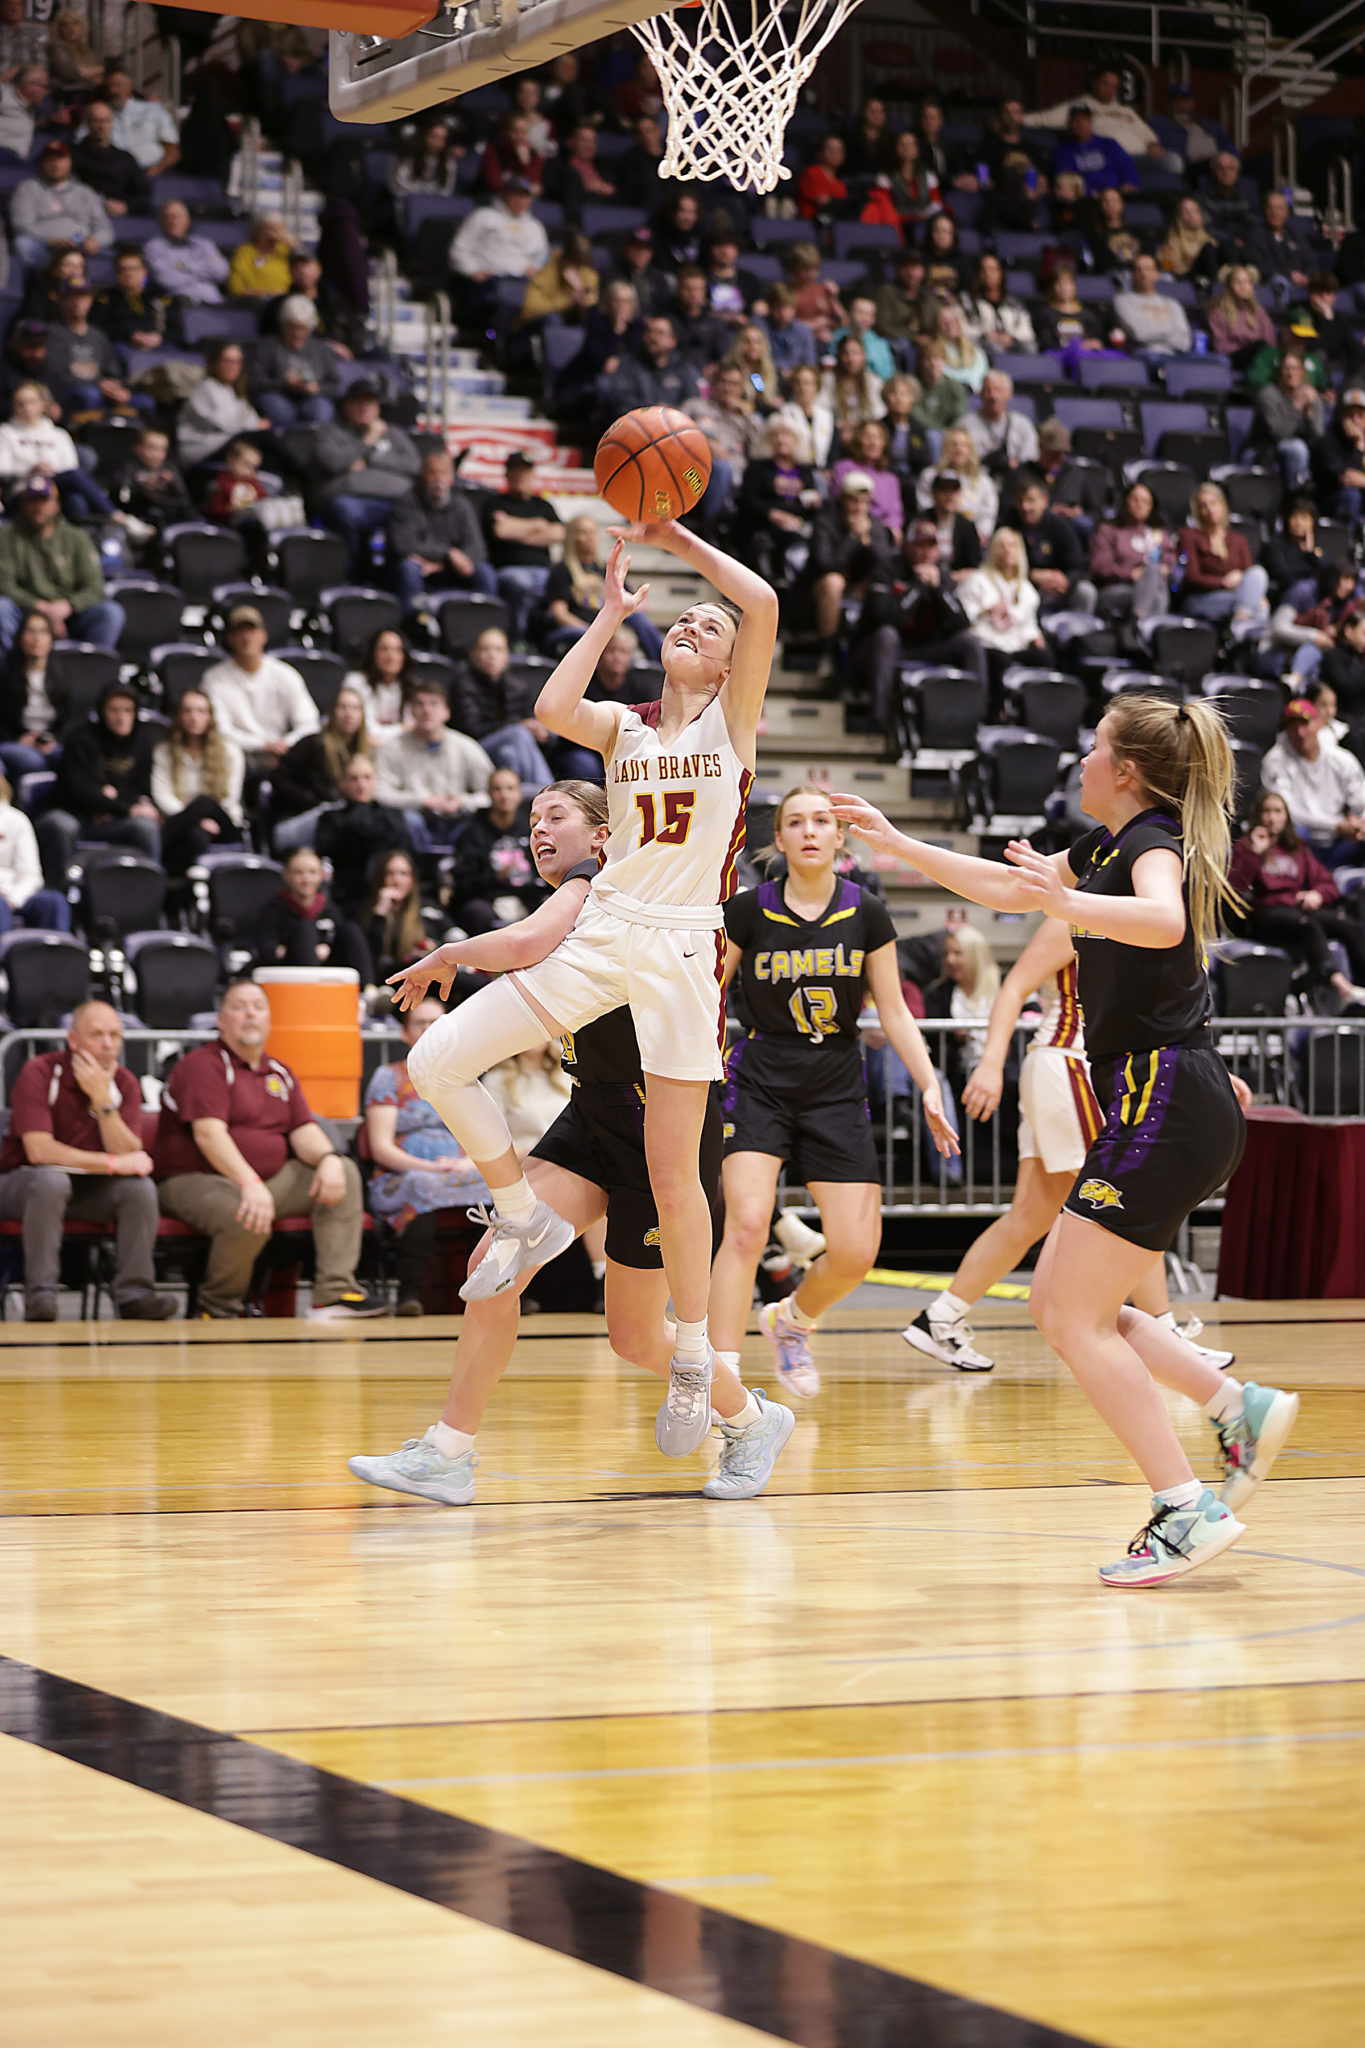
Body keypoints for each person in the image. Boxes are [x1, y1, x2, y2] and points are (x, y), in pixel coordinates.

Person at [831, 695, 1301, 1586]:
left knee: (1068, 1316)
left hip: (1166, 1095)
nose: (1079, 760)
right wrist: (896, 843)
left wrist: (1070, 900)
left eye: (1092, 748)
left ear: (1124, 770)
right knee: (1063, 1303)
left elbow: (1164, 920)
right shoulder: (1103, 845)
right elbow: (1006, 887)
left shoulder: (1150, 842)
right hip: (1161, 1097)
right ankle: (1232, 1404)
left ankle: (1184, 1507)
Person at [387, 524, 779, 1460]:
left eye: (708, 627)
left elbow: (760, 601)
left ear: (730, 668)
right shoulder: (625, 727)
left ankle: (700, 1362)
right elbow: (552, 705)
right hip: (609, 933)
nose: (691, 624)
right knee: (437, 1058)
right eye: (682, 618)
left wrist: (670, 535)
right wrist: (608, 613)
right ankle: (518, 1226)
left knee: (665, 1232)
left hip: (681, 943)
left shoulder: (733, 723)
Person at [352, 780, 794, 1504]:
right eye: (531, 820)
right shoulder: (576, 902)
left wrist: (449, 954)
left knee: (634, 1337)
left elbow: (523, 945)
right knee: (492, 1268)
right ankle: (448, 1451)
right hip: (591, 1113)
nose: (537, 829)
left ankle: (751, 1420)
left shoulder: (600, 886)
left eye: (555, 815)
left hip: (661, 1130)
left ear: (602, 834)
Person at [905, 917, 1240, 1372]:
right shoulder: (1074, 917)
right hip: (1068, 1063)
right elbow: (1014, 987)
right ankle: (1164, 1334)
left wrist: (1210, 1071)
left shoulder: (1140, 913)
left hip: (1079, 1067)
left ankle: (940, 1317)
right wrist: (990, 1063)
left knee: (1030, 1215)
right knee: (1129, 1200)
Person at [710, 786, 956, 1400]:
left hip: (835, 1082)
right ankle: (720, 1378)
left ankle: (791, 1321)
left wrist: (929, 1083)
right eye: (796, 822)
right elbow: (708, 992)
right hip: (760, 1075)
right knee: (745, 1226)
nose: (810, 831)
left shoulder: (866, 911)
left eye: (821, 821)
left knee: (853, 1252)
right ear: (779, 839)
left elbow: (894, 1011)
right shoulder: (747, 911)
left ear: (840, 837)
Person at [155, 979, 382, 1321]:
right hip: (193, 1180)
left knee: (345, 1173)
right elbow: (209, 1135)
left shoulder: (279, 1072)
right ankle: (217, 1307)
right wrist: (249, 1183)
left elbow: (303, 1129)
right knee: (244, 1212)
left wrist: (329, 1158)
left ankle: (333, 1294)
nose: (250, 1014)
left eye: (258, 1007)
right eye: (239, 1007)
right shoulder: (202, 1065)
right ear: (221, 1020)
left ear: (269, 1020)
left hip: (264, 1182)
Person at [0, 999, 176, 1321]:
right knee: (51, 1181)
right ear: (73, 1040)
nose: (108, 1044)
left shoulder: (125, 1082)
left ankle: (135, 1295)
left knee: (139, 1190)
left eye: (115, 1035)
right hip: (21, 1183)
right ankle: (41, 1295)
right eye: (97, 1035)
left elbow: (129, 1153)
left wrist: (101, 1098)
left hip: (86, 1190)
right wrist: (110, 1164)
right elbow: (39, 1151)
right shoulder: (40, 1071)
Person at [362, 998, 491, 1315]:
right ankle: (411, 1293)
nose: (429, 1030)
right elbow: (381, 1147)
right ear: (405, 1033)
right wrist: (431, 1168)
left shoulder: (465, 1077)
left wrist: (466, 1164)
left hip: (461, 1168)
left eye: (437, 1023)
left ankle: (498, 1289)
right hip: (403, 1173)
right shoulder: (389, 1077)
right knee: (422, 1185)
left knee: (502, 1187)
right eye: (420, 1024)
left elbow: (485, 1137)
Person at [1229, 787, 1365, 1002]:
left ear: (1286, 816)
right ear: (1258, 815)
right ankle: (1341, 987)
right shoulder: (1247, 845)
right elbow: (1236, 886)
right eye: (1267, 811)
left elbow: (1327, 883)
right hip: (1265, 912)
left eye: (1278, 811)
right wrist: (1255, 853)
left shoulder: (1296, 848)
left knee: (1347, 924)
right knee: (1307, 925)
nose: (1272, 817)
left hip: (1295, 908)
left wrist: (1317, 894)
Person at [39, 678, 158, 879]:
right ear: (102, 711)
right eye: (114, 710)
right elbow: (77, 789)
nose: (121, 718)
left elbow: (141, 788)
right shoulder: (80, 738)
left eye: (128, 711)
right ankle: (62, 887)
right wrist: (117, 804)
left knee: (146, 826)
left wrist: (111, 802)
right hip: (77, 815)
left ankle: (151, 886)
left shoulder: (142, 743)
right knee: (61, 825)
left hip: (115, 820)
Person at [0, 475, 123, 656]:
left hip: (69, 614)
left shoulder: (76, 537)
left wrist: (67, 607)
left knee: (111, 612)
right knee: (2, 608)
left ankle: (93, 670)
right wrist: (42, 609)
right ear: (23, 504)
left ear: (57, 505)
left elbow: (95, 586)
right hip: (25, 612)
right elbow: (5, 585)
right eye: (32, 500)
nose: (38, 506)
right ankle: (9, 670)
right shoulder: (7, 535)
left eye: (44, 500)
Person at [373, 677, 496, 852]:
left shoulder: (466, 746)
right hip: (415, 818)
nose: (427, 710)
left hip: (457, 818)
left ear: (447, 712)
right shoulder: (392, 748)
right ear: (411, 711)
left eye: (434, 704)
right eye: (420, 704)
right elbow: (379, 793)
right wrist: (422, 800)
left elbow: (492, 793)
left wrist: (462, 801)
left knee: (479, 822)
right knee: (407, 820)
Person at [203, 604, 318, 775]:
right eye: (240, 632)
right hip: (241, 754)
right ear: (230, 638)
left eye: (252, 631)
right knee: (228, 750)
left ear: (263, 636)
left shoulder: (285, 674)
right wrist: (262, 744)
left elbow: (309, 723)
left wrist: (286, 744)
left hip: (283, 754)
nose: (246, 637)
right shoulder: (214, 679)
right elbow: (220, 729)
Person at [540, 511, 665, 662]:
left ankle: (663, 663)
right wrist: (592, 632)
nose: (590, 538)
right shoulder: (562, 570)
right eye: (583, 533)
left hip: (606, 628)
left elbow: (629, 601)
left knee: (637, 620)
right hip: (574, 630)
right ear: (572, 538)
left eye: (592, 532)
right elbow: (560, 614)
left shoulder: (606, 568)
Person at [387, 447, 495, 618]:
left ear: (452, 478)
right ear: (423, 476)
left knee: (484, 571)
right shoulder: (407, 503)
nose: (438, 479)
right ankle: (413, 624)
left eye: (443, 473)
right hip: (421, 570)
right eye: (432, 472)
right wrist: (448, 553)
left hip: (449, 570)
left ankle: (487, 624)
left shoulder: (462, 505)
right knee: (409, 568)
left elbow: (477, 547)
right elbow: (404, 545)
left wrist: (443, 564)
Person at [150, 687, 245, 875]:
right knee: (197, 836)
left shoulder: (230, 750)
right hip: (181, 824)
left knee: (205, 802)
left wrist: (200, 816)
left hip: (224, 821)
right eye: (188, 711)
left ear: (210, 716)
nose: (194, 718)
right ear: (179, 716)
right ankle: (192, 884)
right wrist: (194, 820)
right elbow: (162, 795)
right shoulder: (164, 751)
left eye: (201, 711)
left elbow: (230, 797)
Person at [1261, 694, 1365, 863]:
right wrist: (1336, 825)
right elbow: (1287, 812)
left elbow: (1361, 797)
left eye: (1305, 724)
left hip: (1341, 840)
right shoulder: (1275, 760)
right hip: (1303, 840)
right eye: (1293, 727)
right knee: (1294, 831)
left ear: (1318, 724)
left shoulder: (1339, 758)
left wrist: (1359, 824)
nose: (1300, 733)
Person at [448, 624, 553, 791]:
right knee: (518, 733)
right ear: (473, 654)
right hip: (474, 748)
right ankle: (547, 790)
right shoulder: (463, 686)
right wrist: (518, 726)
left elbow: (529, 726)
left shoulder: (517, 687)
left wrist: (542, 733)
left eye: (498, 650)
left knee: (509, 754)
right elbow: (473, 730)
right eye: (485, 649)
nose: (492, 655)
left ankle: (520, 798)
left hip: (514, 746)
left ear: (507, 655)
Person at [252, 844, 372, 980]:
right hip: (290, 974)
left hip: (327, 970)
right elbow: (267, 952)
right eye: (298, 873)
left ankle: (368, 987)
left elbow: (341, 942)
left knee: (351, 929)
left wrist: (326, 949)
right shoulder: (273, 910)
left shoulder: (330, 910)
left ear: (321, 875)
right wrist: (302, 947)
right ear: (286, 875)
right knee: (305, 930)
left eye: (312, 872)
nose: (306, 879)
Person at [447, 764, 544, 932]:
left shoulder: (532, 828)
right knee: (476, 912)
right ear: (489, 794)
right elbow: (463, 883)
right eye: (497, 789)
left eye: (510, 789)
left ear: (519, 794)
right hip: (486, 898)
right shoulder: (472, 831)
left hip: (527, 896)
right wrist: (495, 877)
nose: (504, 795)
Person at [806, 470, 897, 644]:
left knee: (879, 583)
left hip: (859, 587)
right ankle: (827, 645)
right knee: (834, 582)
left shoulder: (874, 524)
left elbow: (885, 564)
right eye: (854, 501)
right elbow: (825, 565)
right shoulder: (825, 522)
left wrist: (867, 541)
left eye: (865, 502)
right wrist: (853, 538)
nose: (860, 508)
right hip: (819, 590)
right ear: (843, 499)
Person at [314, 753, 410, 915]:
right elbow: (328, 851)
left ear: (376, 781)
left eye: (367, 777)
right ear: (342, 783)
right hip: (348, 896)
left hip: (390, 892)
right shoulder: (330, 818)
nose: (361, 784)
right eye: (354, 779)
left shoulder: (393, 816)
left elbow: (403, 853)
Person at [483, 449, 562, 642]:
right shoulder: (494, 502)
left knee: (562, 582)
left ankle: (551, 640)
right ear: (507, 475)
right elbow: (501, 531)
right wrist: (538, 526)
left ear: (533, 475)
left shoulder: (544, 506)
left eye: (525, 472)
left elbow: (559, 533)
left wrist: (515, 528)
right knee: (521, 584)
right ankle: (517, 639)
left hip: (543, 571)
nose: (520, 476)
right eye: (516, 471)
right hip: (509, 570)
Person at [269, 683, 369, 833]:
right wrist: (310, 800)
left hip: (340, 817)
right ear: (332, 712)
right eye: (343, 707)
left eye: (355, 708)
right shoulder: (313, 744)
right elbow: (278, 777)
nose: (349, 714)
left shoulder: (363, 751)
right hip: (302, 817)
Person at [957, 528, 1044, 695]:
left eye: (1012, 545)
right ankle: (994, 707)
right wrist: (987, 609)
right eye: (1001, 546)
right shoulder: (976, 580)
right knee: (1000, 659)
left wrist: (1035, 636)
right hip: (987, 642)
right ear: (992, 550)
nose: (1007, 550)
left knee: (1044, 656)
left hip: (1016, 643)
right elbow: (962, 618)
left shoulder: (1026, 589)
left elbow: (1030, 624)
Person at [1178, 481, 1269, 638]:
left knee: (1258, 574)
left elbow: (1249, 573)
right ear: (1197, 511)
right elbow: (1191, 577)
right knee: (1257, 606)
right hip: (1201, 598)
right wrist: (1223, 582)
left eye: (1213, 503)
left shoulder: (1238, 539)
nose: (1210, 509)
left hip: (1235, 595)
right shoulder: (1189, 536)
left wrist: (1254, 592)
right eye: (1203, 505)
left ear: (1223, 505)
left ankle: (1239, 626)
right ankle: (1242, 637)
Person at [10, 137, 113, 273]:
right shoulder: (28, 188)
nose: (56, 164)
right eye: (50, 159)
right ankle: (47, 278)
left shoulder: (85, 192)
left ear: (69, 162)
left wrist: (95, 240)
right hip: (45, 247)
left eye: (60, 159)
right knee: (23, 243)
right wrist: (50, 240)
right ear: (42, 162)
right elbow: (22, 225)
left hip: (80, 246)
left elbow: (106, 231)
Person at [1005, 472, 1096, 615]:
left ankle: (1082, 627)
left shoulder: (1059, 526)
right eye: (1020, 500)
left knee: (1085, 591)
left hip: (1058, 588)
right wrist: (1032, 575)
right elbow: (998, 564)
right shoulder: (1008, 524)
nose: (1025, 506)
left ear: (1044, 501)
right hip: (1023, 585)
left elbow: (1078, 565)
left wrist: (1066, 580)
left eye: (1031, 500)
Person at [1089, 479, 1176, 624]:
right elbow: (1100, 567)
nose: (1139, 504)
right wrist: (1131, 574)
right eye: (1135, 499)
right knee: (1155, 591)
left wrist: (1157, 571)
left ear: (1151, 507)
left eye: (1145, 501)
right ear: (1125, 502)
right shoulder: (1108, 530)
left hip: (1153, 586)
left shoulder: (1160, 534)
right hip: (1117, 589)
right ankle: (1147, 626)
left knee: (1154, 574)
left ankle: (1139, 621)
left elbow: (1170, 562)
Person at [250, 296, 340, 428]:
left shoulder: (321, 349)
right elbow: (255, 381)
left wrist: (317, 388)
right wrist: (284, 383)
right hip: (277, 394)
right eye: (292, 327)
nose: (297, 333)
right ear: (283, 324)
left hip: (313, 397)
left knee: (321, 410)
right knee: (281, 412)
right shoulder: (268, 346)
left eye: (303, 328)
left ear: (311, 328)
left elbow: (335, 384)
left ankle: (317, 440)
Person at [175, 341, 265, 473]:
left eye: (237, 362)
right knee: (264, 438)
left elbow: (251, 419)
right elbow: (226, 425)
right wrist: (255, 425)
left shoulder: (234, 392)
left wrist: (255, 425)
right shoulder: (206, 388)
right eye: (227, 361)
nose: (233, 366)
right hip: (200, 449)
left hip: (225, 444)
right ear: (215, 363)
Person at [360, 846, 439, 988]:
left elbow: (453, 937)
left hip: (423, 978)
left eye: (404, 874)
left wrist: (433, 947)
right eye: (390, 874)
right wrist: (380, 913)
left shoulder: (427, 909)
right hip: (386, 981)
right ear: (380, 878)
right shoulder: (366, 912)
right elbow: (369, 958)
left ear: (412, 879)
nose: (397, 880)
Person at [0, 607, 60, 780]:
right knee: (31, 760)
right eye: (31, 631)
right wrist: (19, 739)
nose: (37, 638)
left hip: (48, 740)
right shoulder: (5, 672)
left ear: (51, 637)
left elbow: (69, 719)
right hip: (13, 741)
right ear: (20, 636)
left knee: (64, 755)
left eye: (43, 631)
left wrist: (53, 740)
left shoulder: (62, 673)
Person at [1253, 348, 1324, 494]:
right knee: (1297, 448)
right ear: (1279, 372)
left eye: (1295, 368)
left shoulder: (1310, 395)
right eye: (1287, 368)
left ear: (1302, 372)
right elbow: (1279, 434)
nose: (1291, 373)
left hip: (1304, 446)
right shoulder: (1268, 395)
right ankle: (1295, 494)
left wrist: (1310, 416)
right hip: (1266, 448)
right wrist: (1297, 407)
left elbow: (1319, 435)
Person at [916, 425, 998, 542]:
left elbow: (988, 513)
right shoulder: (930, 475)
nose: (959, 449)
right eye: (954, 444)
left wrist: (980, 534)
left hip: (971, 538)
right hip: (935, 535)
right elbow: (924, 504)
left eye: (964, 445)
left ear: (971, 450)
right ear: (945, 448)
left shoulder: (984, 481)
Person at [70, 98, 148, 217]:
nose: (102, 126)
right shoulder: (72, 156)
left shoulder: (126, 159)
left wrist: (126, 206)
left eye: (106, 121)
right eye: (96, 121)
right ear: (86, 123)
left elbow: (144, 194)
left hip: (121, 217)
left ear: (112, 123)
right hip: (83, 215)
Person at [145, 197, 228, 306]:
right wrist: (204, 273)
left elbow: (221, 272)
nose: (172, 221)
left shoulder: (204, 244)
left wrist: (183, 267)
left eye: (177, 217)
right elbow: (165, 279)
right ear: (160, 222)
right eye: (167, 217)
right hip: (179, 302)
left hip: (212, 300)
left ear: (187, 221)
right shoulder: (153, 247)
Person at [101, 63, 179, 178]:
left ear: (129, 86)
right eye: (109, 86)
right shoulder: (100, 115)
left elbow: (172, 150)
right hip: (115, 176)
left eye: (117, 85)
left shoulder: (153, 110)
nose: (113, 90)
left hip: (153, 173)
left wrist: (156, 170)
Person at [963, 367, 1040, 476]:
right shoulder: (964, 426)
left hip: (1014, 480)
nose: (993, 396)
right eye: (988, 390)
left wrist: (1016, 465)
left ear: (1009, 394)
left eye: (998, 390)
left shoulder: (1023, 425)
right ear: (980, 394)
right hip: (976, 478)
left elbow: (1031, 460)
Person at [1113, 252, 1191, 355]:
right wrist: (1169, 333)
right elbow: (1139, 334)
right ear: (1133, 274)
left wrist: (1155, 334)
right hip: (1142, 355)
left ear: (1156, 274)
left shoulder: (1172, 303)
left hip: (1175, 355)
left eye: (1148, 269)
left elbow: (1185, 342)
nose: (1144, 274)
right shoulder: (1123, 300)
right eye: (1139, 270)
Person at [1051, 104, 1135, 197]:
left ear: (1091, 122)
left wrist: (1129, 182)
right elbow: (1065, 180)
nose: (1080, 124)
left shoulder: (1109, 144)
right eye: (1076, 120)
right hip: (1085, 198)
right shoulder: (1063, 151)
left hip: (1115, 195)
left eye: (1084, 119)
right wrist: (1089, 192)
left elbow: (1128, 166)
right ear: (1070, 124)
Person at [1310, 384, 1365, 523]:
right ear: (1341, 416)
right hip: (1332, 499)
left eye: (1360, 416)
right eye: (1350, 415)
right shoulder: (1327, 441)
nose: (1355, 420)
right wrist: (1359, 446)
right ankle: (1345, 535)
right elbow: (1348, 478)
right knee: (1351, 495)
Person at [1206, 263, 1275, 363]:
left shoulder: (1259, 311)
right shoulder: (1218, 313)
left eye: (1247, 282)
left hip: (1259, 356)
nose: (1243, 286)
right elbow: (1220, 346)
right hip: (1233, 357)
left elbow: (1270, 341)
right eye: (1238, 282)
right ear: (1229, 286)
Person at [227, 213, 294, 301]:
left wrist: (290, 241)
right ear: (258, 231)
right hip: (252, 300)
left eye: (277, 229)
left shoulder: (286, 250)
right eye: (269, 229)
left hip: (284, 299)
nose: (273, 234)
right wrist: (261, 294)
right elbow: (235, 286)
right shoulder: (245, 252)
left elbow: (306, 267)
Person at [1157, 195, 1218, 284]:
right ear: (1179, 216)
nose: (1191, 215)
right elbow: (1166, 267)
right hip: (1185, 279)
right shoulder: (1172, 241)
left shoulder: (1207, 237)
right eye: (1186, 212)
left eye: (1194, 210)